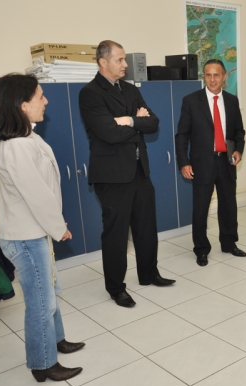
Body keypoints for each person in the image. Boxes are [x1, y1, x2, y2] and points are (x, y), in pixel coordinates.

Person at [0, 73, 84, 382]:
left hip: (34, 229)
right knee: (40, 301)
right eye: (40, 97)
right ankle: (43, 363)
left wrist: (52, 225)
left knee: (50, 291)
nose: (45, 101)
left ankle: (55, 340)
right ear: (21, 105)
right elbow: (36, 194)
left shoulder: (28, 136)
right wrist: (58, 228)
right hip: (24, 236)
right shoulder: (16, 146)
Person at [79, 40, 175, 308]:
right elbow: (108, 133)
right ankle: (116, 287)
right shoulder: (90, 93)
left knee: (146, 228)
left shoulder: (131, 90)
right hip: (111, 176)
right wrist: (136, 121)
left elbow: (153, 123)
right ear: (103, 62)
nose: (125, 64)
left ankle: (149, 274)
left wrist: (129, 120)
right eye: (120, 60)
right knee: (116, 234)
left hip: (139, 170)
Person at [175, 59, 246, 267]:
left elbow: (239, 131)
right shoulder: (191, 100)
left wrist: (239, 150)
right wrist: (184, 162)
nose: (212, 79)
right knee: (200, 209)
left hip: (226, 162)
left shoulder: (232, 101)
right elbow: (182, 135)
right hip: (201, 164)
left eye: (216, 75)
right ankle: (201, 249)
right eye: (208, 75)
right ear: (203, 77)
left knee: (228, 206)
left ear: (224, 76)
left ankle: (229, 243)